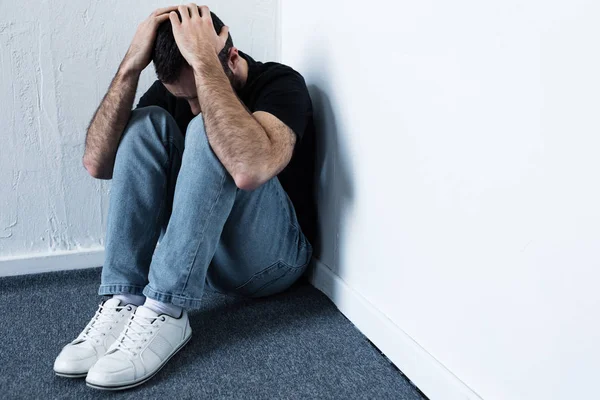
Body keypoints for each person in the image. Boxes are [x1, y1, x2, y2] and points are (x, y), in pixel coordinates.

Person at [53, 3, 316, 391]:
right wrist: (130, 65)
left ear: (230, 56)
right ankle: (125, 298)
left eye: (195, 93)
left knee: (208, 129)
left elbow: (250, 170)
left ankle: (166, 309)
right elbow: (97, 163)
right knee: (143, 126)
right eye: (185, 96)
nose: (187, 104)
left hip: (275, 262)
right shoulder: (171, 89)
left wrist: (205, 65)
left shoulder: (281, 83)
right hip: (206, 262)